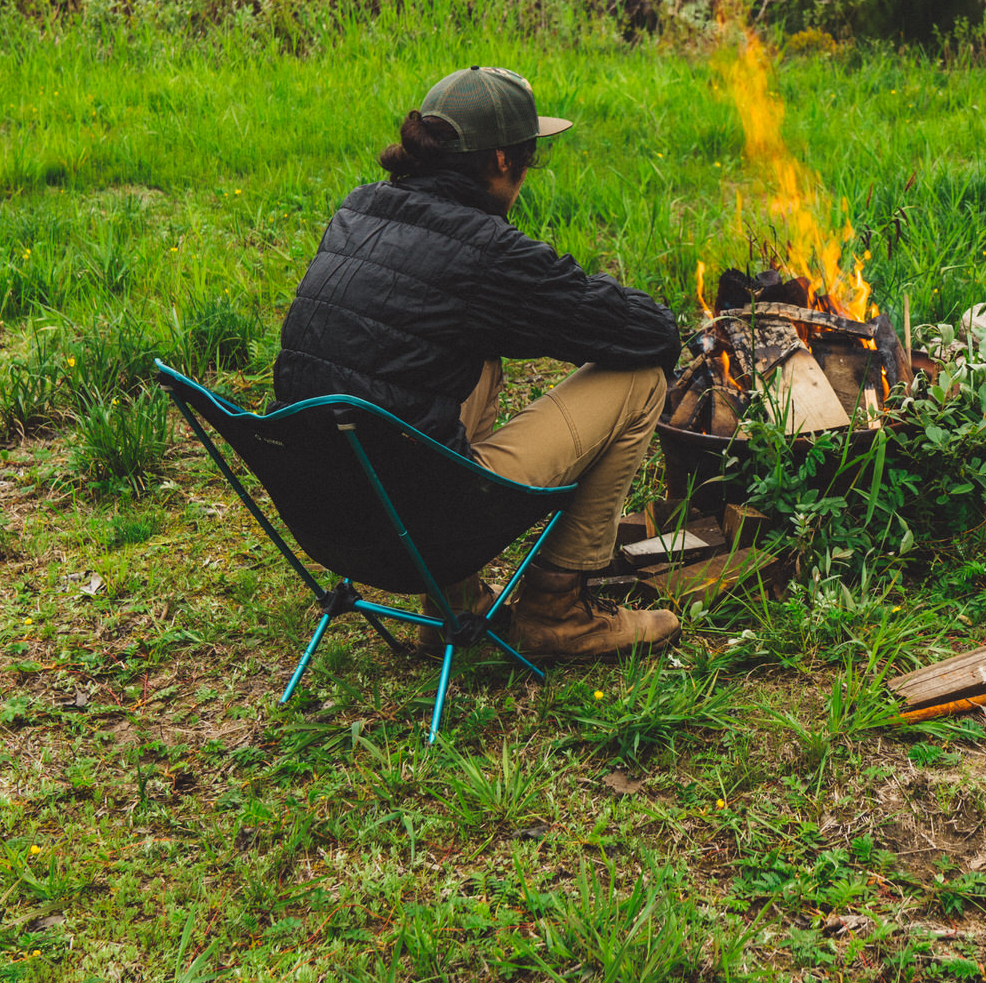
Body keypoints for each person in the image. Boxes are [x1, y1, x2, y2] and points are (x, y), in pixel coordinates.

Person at [274, 65, 684, 658]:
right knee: (641, 379)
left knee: (473, 359)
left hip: (324, 516)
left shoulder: (359, 211)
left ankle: (454, 604)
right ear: (501, 161)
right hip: (424, 529)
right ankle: (556, 611)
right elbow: (647, 333)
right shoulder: (487, 252)